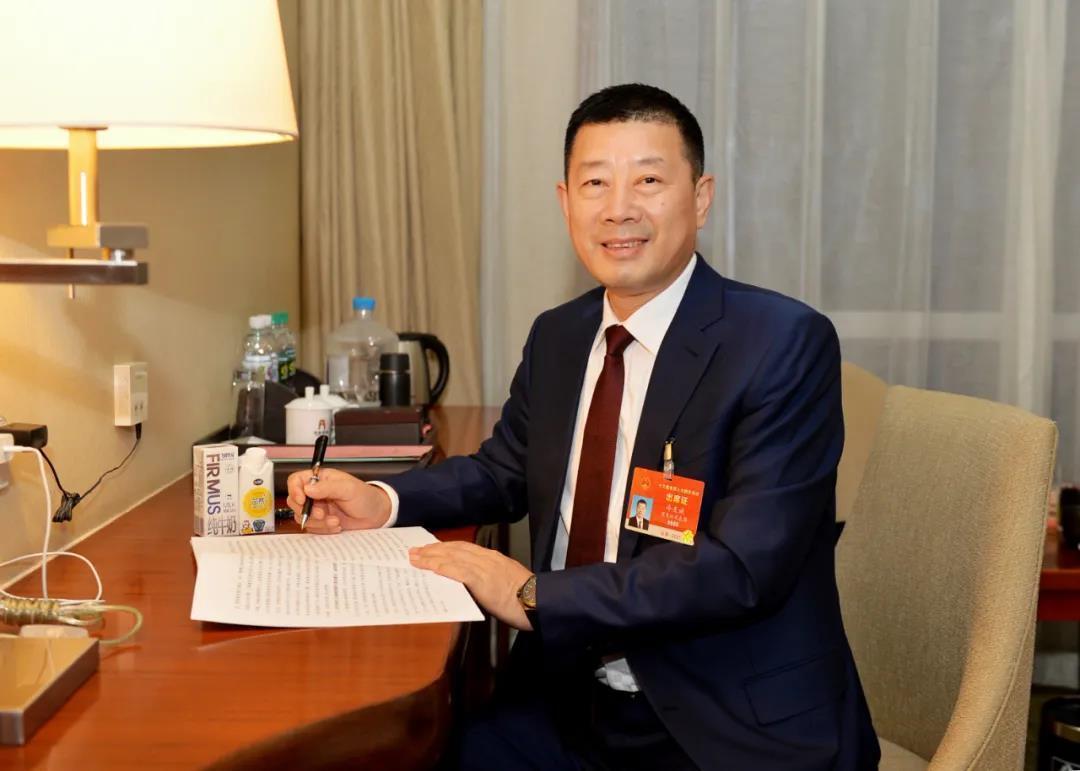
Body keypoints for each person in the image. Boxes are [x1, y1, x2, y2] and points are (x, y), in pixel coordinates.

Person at [288, 83, 880, 770]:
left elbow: (743, 568)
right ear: (566, 201)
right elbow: (505, 470)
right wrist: (381, 499)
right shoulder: (560, 335)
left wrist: (533, 593)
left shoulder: (780, 341)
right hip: (567, 695)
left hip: (722, 718)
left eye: (649, 180)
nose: (619, 208)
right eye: (595, 182)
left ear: (701, 196)